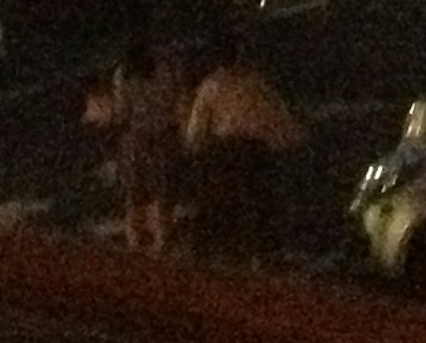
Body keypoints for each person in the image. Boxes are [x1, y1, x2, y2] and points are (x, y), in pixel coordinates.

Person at [180, 27, 302, 263]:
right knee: (257, 204)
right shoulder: (255, 84)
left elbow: (197, 127)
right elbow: (275, 117)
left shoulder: (211, 86)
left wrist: (193, 145)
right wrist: (289, 139)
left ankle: (220, 251)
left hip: (223, 153)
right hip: (253, 153)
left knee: (218, 203)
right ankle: (257, 252)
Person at [87, 35, 185, 253]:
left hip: (136, 140)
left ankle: (136, 245)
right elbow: (174, 100)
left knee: (134, 197)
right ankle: (162, 243)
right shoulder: (165, 69)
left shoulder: (124, 74)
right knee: (162, 195)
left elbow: (122, 113)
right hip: (163, 138)